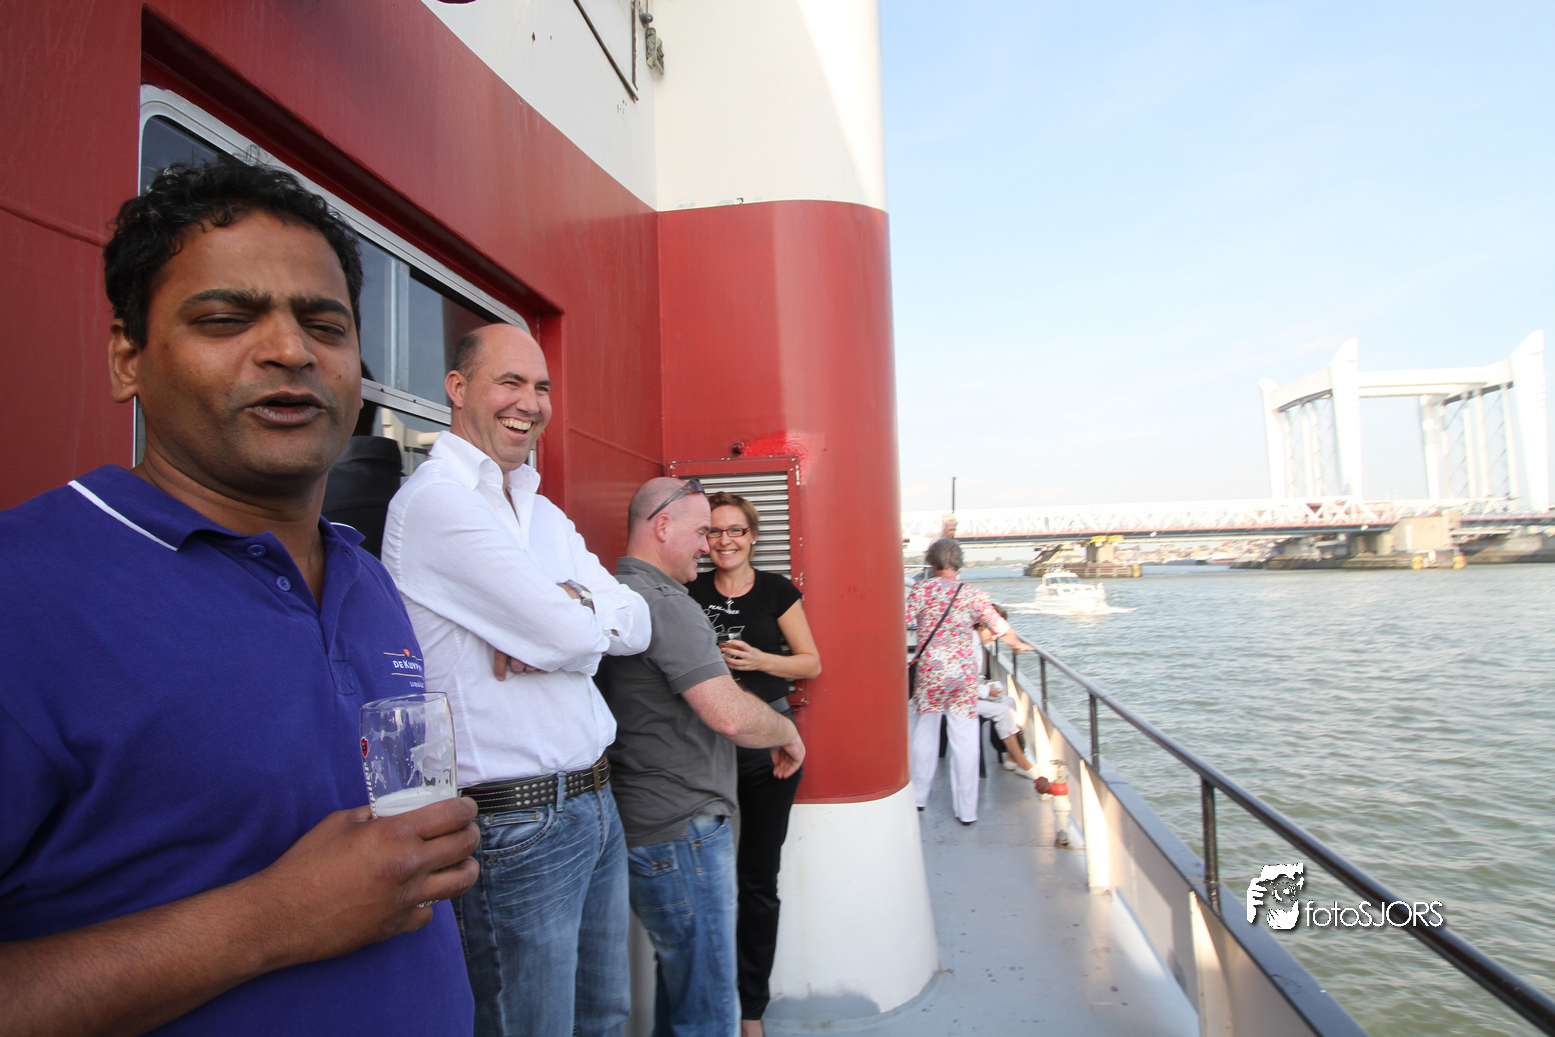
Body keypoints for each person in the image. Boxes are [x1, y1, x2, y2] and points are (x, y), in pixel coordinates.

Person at [0, 157, 480, 1037]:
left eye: (324, 325)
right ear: (127, 356)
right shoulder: (24, 593)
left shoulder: (365, 576)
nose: (291, 351)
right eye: (225, 319)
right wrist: (270, 921)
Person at [383, 323, 650, 1037]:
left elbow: (639, 621)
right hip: (515, 824)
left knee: (605, 1019)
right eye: (510, 382)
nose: (530, 403)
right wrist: (569, 629)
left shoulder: (543, 511)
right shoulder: (437, 502)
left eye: (541, 387)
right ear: (457, 387)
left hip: (595, 802)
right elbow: (571, 634)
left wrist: (568, 612)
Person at [597, 478, 806, 1037]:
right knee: (709, 1008)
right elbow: (730, 716)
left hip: (643, 820)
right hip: (681, 829)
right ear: (663, 527)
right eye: (700, 532)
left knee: (683, 984)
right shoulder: (671, 605)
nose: (707, 545)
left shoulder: (613, 592)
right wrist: (785, 729)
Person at [684, 491, 820, 1036]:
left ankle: (751, 1010)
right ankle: (705, 1001)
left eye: (735, 530)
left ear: (753, 536)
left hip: (769, 750)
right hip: (702, 748)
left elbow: (811, 662)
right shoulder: (689, 591)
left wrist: (761, 660)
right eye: (714, 531)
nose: (725, 541)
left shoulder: (776, 591)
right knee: (702, 881)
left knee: (758, 880)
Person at [905, 537, 1032, 824]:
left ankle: (919, 797)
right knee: (965, 739)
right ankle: (967, 810)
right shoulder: (972, 595)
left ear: (932, 562)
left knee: (926, 732)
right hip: (962, 676)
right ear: (959, 564)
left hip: (931, 673)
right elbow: (999, 627)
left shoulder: (922, 590)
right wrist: (1017, 644)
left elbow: (900, 620)